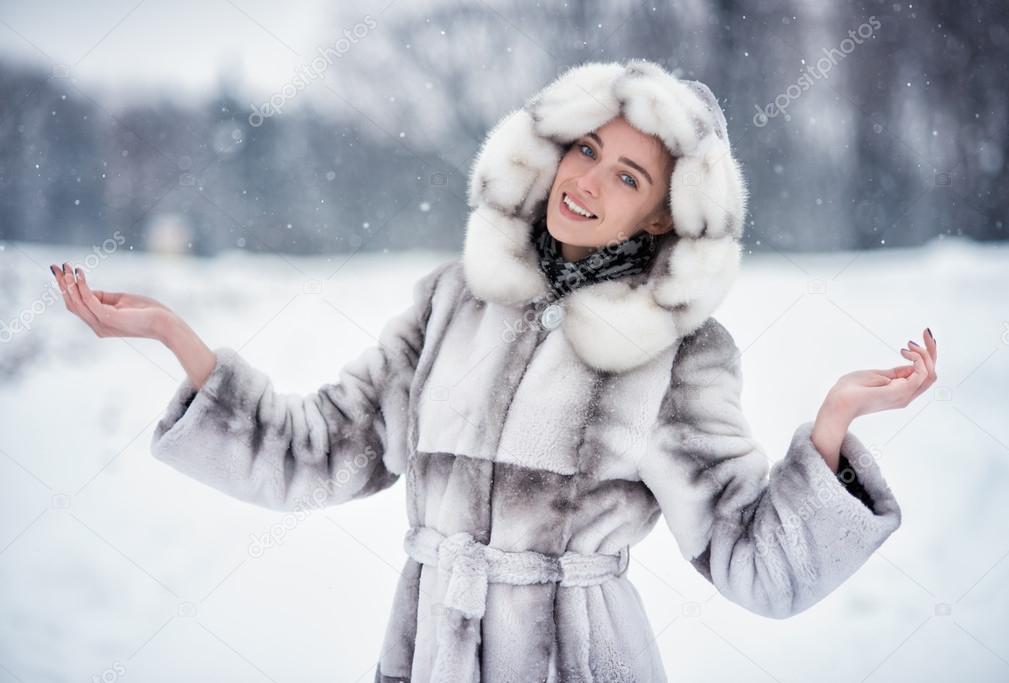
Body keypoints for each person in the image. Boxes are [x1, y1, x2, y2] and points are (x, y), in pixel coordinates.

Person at [51, 59, 938, 683]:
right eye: (584, 148)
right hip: (426, 652)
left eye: (627, 174)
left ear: (664, 217)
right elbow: (317, 449)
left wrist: (829, 428)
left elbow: (755, 560)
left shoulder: (677, 356)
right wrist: (175, 335)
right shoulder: (453, 301)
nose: (586, 180)